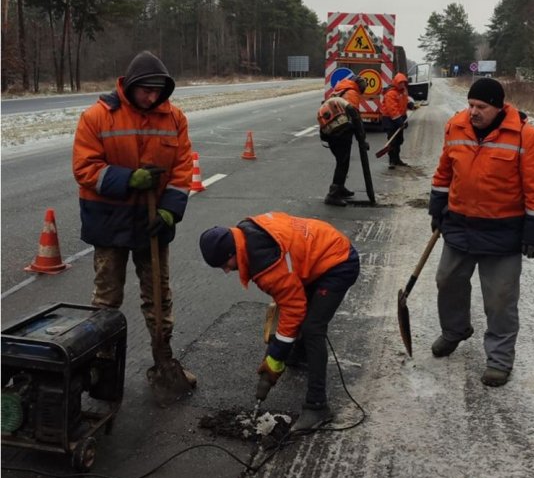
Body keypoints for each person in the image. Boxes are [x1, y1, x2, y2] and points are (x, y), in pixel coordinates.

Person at [72, 50, 196, 390]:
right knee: (107, 298)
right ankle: (100, 366)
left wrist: (170, 210)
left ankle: (163, 360)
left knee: (158, 295)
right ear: (131, 85)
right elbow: (85, 169)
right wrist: (129, 179)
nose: (152, 97)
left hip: (153, 221)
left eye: (158, 91)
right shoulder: (98, 117)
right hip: (108, 221)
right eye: (146, 90)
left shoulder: (174, 119)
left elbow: (182, 169)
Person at [428, 77, 534, 387]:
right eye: (470, 105)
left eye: (481, 107)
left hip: (503, 232)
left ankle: (499, 359)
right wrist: (437, 205)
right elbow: (445, 170)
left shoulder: (526, 136)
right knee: (447, 281)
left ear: (498, 107)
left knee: (499, 299)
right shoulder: (456, 126)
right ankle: (455, 331)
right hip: (459, 224)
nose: (473, 112)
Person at [199, 212, 360, 432]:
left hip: (338, 262)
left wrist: (276, 355)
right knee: (300, 313)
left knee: (313, 328)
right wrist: (279, 350)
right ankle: (300, 355)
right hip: (318, 251)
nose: (227, 270)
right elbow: (288, 293)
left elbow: (293, 309)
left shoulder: (268, 266)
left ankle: (317, 406)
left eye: (225, 264)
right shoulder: (248, 231)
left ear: (233, 250)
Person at [321, 74, 368, 206]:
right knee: (342, 162)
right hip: (340, 132)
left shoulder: (340, 90)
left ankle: (340, 187)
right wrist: (362, 139)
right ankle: (333, 195)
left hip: (331, 131)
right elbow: (355, 117)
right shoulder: (352, 93)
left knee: (342, 161)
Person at [380, 72, 411, 168]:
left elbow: (405, 100)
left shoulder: (403, 91)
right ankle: (392, 161)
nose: (402, 84)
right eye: (400, 83)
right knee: (392, 140)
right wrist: (399, 121)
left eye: (403, 83)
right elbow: (392, 110)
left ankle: (397, 159)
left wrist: (410, 104)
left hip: (399, 118)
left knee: (399, 140)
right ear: (396, 82)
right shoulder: (391, 93)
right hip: (389, 120)